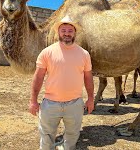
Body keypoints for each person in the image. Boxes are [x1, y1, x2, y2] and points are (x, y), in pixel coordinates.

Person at [29, 15, 94, 150]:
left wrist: (91, 99)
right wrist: (33, 101)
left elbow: (88, 78)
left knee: (72, 137)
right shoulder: (47, 53)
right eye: (63, 30)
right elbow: (38, 77)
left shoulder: (84, 54)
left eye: (70, 30)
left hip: (75, 104)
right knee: (46, 138)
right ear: (58, 32)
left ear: (75, 33)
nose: (67, 33)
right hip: (50, 104)